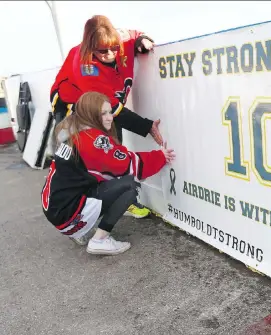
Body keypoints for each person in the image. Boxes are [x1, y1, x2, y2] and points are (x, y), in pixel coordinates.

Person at [49, 14, 162, 219]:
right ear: (91, 48)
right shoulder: (85, 68)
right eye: (102, 51)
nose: (110, 54)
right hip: (71, 105)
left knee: (112, 143)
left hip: (102, 104)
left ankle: (118, 198)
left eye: (114, 48)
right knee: (78, 157)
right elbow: (113, 109)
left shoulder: (117, 39)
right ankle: (76, 214)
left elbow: (135, 34)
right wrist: (147, 126)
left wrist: (141, 40)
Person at [41, 91, 176, 255]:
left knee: (106, 178)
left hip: (55, 209)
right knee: (129, 186)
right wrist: (160, 156)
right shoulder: (93, 141)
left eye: (110, 112)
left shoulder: (72, 130)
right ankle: (99, 240)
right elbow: (129, 165)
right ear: (90, 114)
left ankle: (78, 230)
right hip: (67, 215)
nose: (109, 117)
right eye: (102, 113)